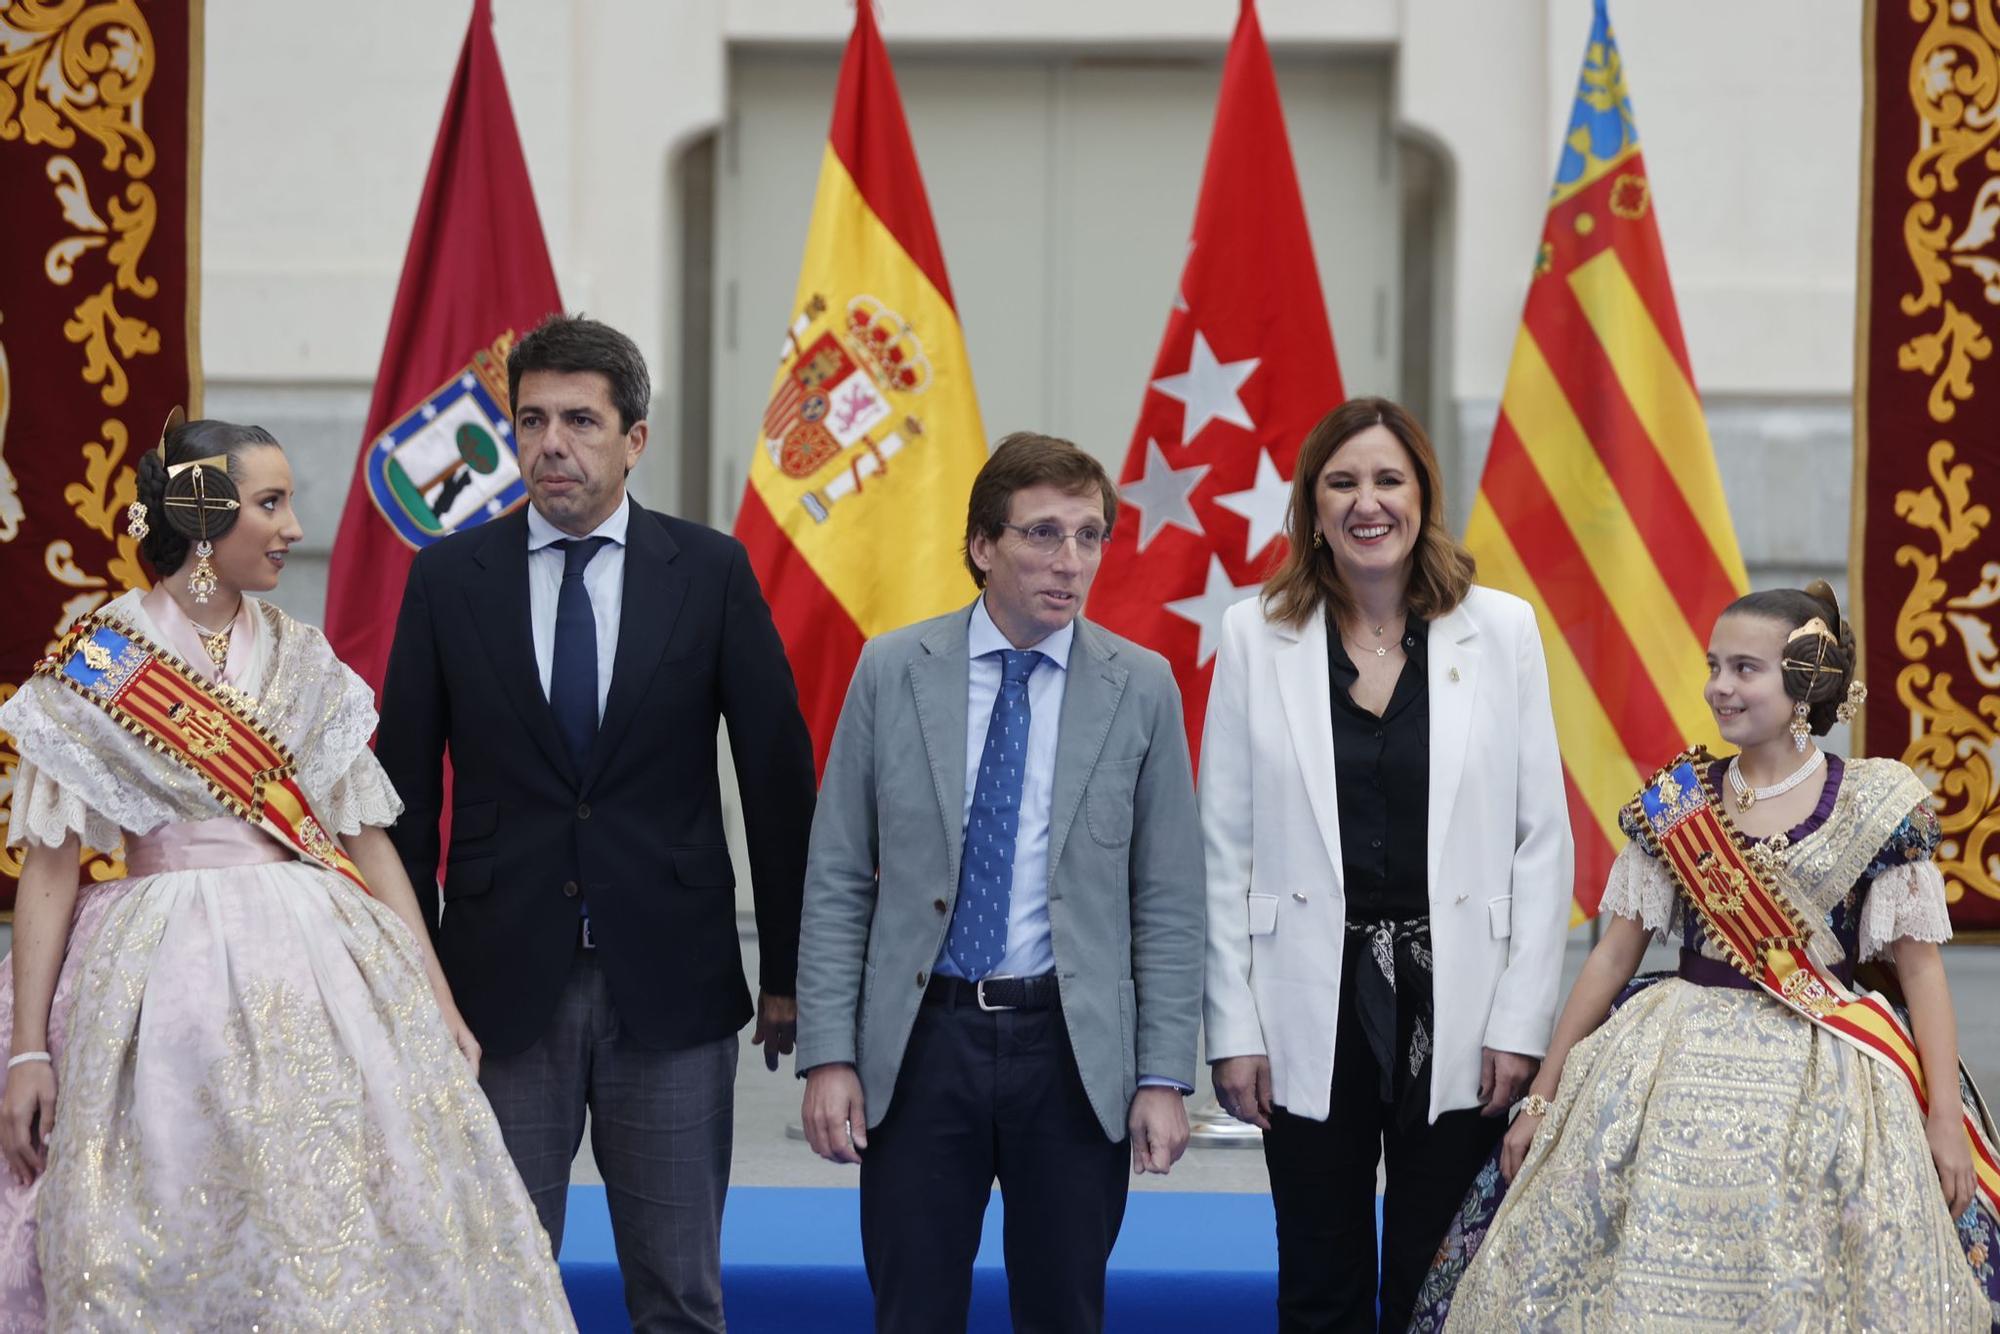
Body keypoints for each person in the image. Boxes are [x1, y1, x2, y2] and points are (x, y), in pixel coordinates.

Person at [0, 413, 574, 1329]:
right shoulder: (98, 658)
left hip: (325, 971)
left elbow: (366, 838)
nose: (295, 530)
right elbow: (50, 868)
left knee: (339, 1228)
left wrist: (437, 1001)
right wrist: (29, 1047)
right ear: (200, 517)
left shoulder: (305, 658)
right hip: (153, 992)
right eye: (270, 504)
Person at [376, 314, 817, 1333]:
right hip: (494, 995)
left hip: (669, 986)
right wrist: (417, 979)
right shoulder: (448, 581)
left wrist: (788, 967)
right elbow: (397, 794)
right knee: (489, 1289)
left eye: (579, 419)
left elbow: (776, 777)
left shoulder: (706, 573)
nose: (549, 444)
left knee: (677, 1290)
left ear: (635, 438)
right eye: (529, 420)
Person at [1419, 582, 1996, 1330]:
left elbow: (1922, 974)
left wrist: (1944, 1121)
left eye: (1744, 669)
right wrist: (1545, 1096)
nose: (1719, 687)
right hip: (1668, 1064)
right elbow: (1609, 961)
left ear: (1804, 686)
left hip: (1832, 1075)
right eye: (1714, 665)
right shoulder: (1676, 802)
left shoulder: (1877, 804)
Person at [795, 431, 1206, 1333]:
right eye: (1043, 535)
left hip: (1069, 1050)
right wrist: (830, 1054)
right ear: (983, 546)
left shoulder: (1142, 687)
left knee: (1064, 1310)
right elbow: (835, 879)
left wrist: (1165, 1075)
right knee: (914, 1308)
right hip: (921, 1043)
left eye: (1090, 536)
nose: (1071, 562)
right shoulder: (892, 670)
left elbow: (1169, 900)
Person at [1199, 396, 1573, 1332]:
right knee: (1319, 1278)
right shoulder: (1253, 635)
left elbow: (1542, 841)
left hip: (1463, 1004)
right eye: (1343, 482)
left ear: (1423, 496)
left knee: (1438, 1278)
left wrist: (1522, 1023)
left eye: (1388, 479)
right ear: (1313, 508)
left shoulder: (1505, 629)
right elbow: (1222, 846)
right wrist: (1232, 1026)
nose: (1369, 502)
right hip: (1304, 1003)